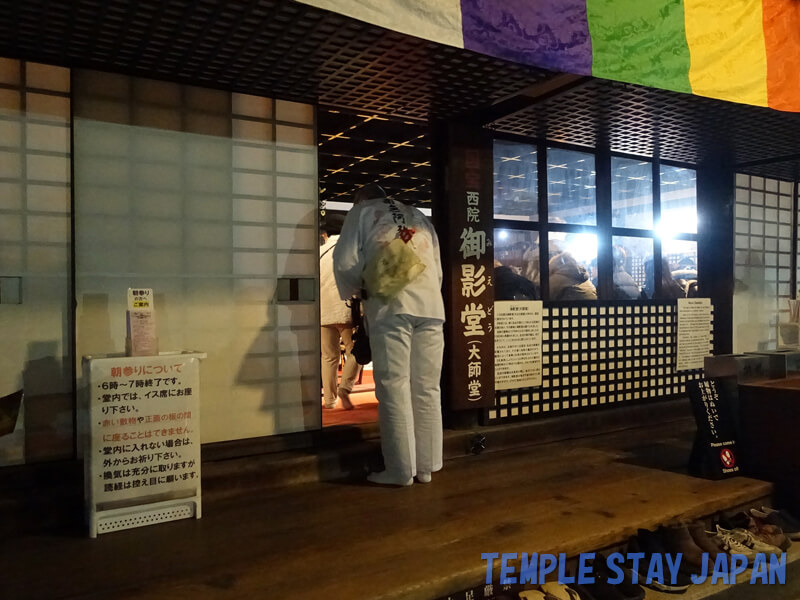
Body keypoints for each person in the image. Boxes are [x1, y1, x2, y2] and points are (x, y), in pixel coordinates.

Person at [333, 184, 445, 486]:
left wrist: (359, 290)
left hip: (390, 306)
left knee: (394, 386)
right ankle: (427, 467)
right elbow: (437, 270)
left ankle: (399, 470)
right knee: (427, 388)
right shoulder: (418, 215)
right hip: (432, 307)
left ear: (360, 199)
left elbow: (345, 263)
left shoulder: (362, 212)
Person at [319, 215, 356, 410]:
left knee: (328, 356)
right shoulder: (350, 251)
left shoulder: (318, 253)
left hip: (323, 311)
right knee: (355, 351)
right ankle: (345, 388)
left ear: (325, 234)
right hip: (345, 310)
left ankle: (329, 401)